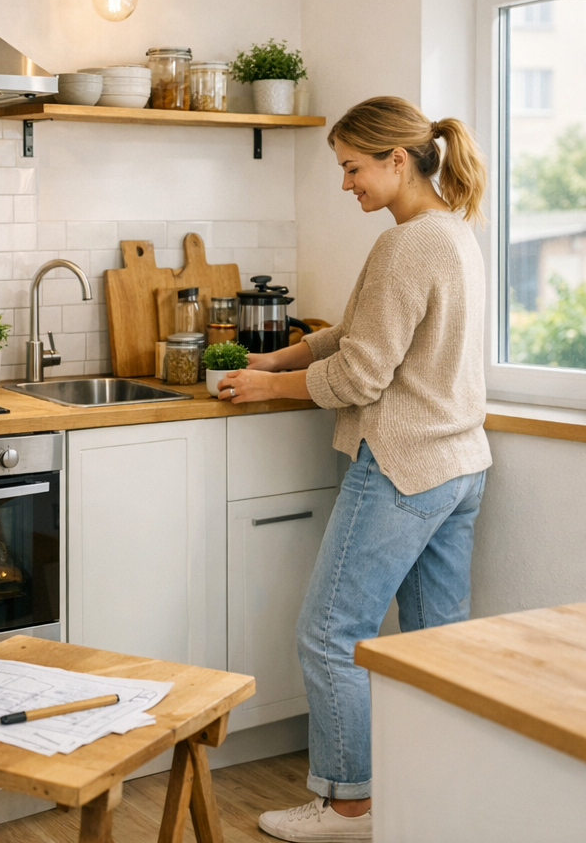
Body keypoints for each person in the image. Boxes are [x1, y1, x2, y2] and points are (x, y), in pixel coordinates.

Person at [217, 97, 491, 842]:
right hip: (460, 463)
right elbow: (361, 327)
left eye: (351, 168)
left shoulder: (406, 245)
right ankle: (438, 790)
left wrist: (265, 386)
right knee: (438, 642)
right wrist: (281, 355)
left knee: (332, 634)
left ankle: (349, 807)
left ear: (396, 160)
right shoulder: (450, 232)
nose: (346, 184)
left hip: (403, 466)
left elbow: (363, 375)